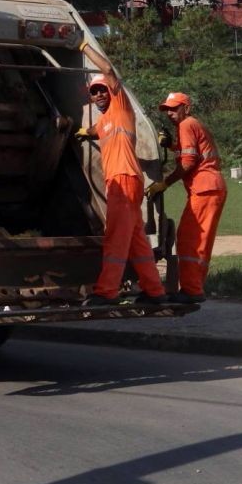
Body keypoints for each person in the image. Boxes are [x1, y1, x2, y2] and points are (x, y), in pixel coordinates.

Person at [73, 40, 168, 306]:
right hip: (124, 182)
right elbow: (98, 130)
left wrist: (83, 48)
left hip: (123, 180)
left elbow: (109, 70)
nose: (100, 95)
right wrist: (83, 133)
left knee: (115, 237)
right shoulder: (103, 122)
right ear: (90, 97)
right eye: (95, 92)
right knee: (138, 241)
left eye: (102, 90)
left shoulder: (121, 107)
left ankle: (107, 292)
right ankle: (154, 291)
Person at [145, 92, 227, 304]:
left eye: (174, 108)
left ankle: (192, 290)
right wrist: (172, 145)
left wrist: (164, 183)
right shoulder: (191, 125)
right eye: (167, 110)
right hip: (210, 188)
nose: (170, 113)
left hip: (204, 189)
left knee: (190, 239)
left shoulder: (186, 125)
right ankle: (194, 287)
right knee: (198, 240)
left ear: (186, 108)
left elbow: (189, 162)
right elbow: (193, 153)